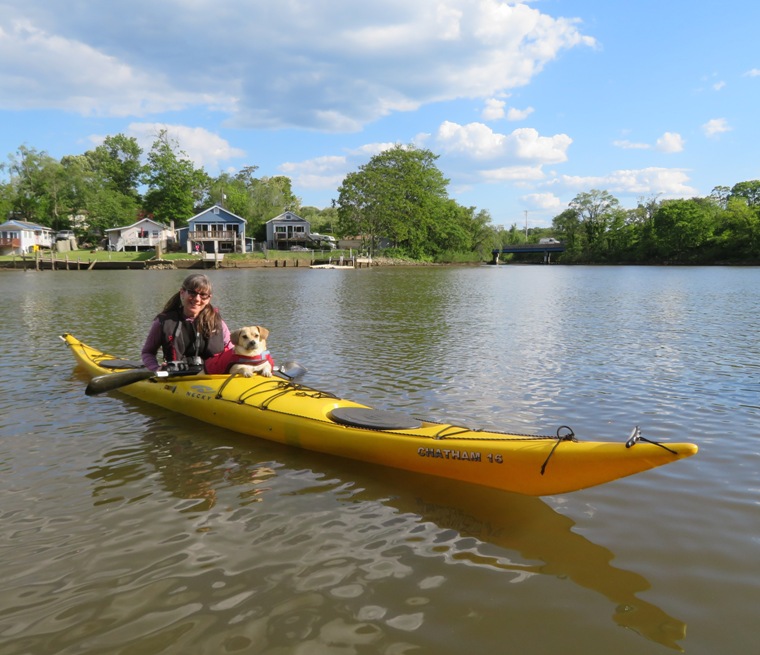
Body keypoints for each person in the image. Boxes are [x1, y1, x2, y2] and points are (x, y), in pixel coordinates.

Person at [141, 273, 232, 371]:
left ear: (209, 298)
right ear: (182, 293)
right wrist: (156, 369)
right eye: (192, 293)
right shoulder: (163, 322)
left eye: (203, 295)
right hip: (177, 378)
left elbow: (233, 352)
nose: (197, 299)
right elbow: (147, 352)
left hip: (211, 378)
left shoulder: (219, 324)